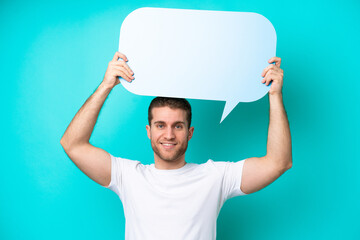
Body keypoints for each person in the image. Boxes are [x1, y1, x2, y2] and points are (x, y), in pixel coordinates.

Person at [60, 51, 292, 240]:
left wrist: (275, 95)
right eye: (160, 125)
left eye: (178, 126)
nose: (169, 134)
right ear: (148, 131)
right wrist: (105, 86)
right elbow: (72, 144)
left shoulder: (215, 176)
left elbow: (278, 163)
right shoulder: (127, 176)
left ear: (190, 132)